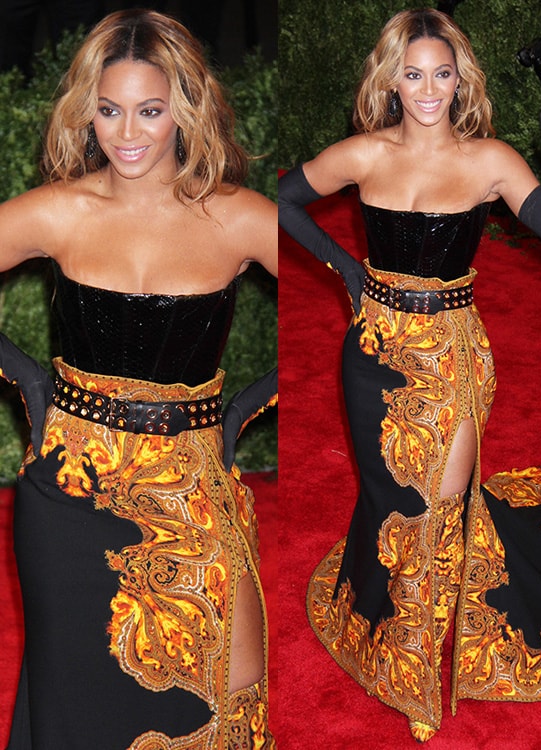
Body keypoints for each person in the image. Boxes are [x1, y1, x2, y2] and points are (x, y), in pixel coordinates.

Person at [279, 7, 541, 743]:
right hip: (371, 355)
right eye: (414, 74)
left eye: (442, 74)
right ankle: (394, 632)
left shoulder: (490, 162)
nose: (428, 89)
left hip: (453, 355)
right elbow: (285, 201)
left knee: (440, 508)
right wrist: (349, 273)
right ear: (392, 78)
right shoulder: (363, 154)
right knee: (393, 497)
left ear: (462, 80)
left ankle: (417, 669)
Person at [0, 8, 277, 748]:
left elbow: (347, 303)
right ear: (87, 113)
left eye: (150, 111)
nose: (127, 134)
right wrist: (25, 379)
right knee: (75, 696)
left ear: (184, 109)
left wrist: (244, 409)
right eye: (110, 110)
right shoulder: (59, 211)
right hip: (68, 492)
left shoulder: (241, 218)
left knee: (232, 683)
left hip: (192, 483)